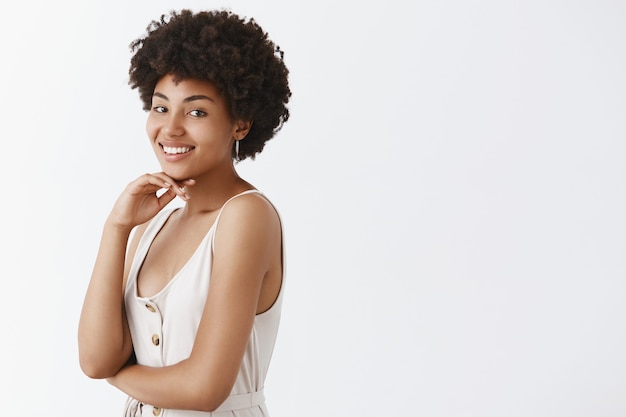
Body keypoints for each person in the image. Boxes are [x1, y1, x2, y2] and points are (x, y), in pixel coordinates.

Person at [78, 9, 291, 416]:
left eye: (196, 112)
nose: (170, 128)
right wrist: (116, 228)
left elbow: (203, 388)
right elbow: (94, 356)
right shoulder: (153, 223)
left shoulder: (247, 217)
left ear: (241, 123)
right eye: (160, 108)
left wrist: (119, 376)